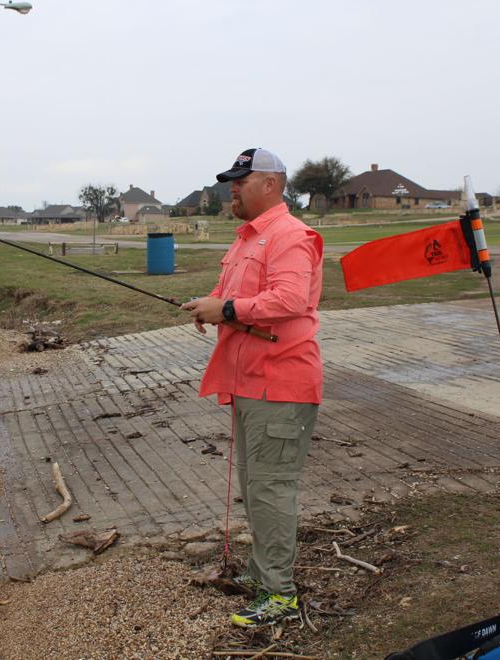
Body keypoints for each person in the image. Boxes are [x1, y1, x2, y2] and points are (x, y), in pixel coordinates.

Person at [180, 148, 323, 628]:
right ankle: (264, 575)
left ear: (272, 185)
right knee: (255, 486)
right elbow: (240, 299)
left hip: (280, 386)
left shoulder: (289, 236)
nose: (232, 189)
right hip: (249, 385)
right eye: (231, 181)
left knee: (270, 491)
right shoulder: (247, 239)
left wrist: (224, 310)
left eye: (242, 181)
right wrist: (213, 306)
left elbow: (289, 298)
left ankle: (279, 596)